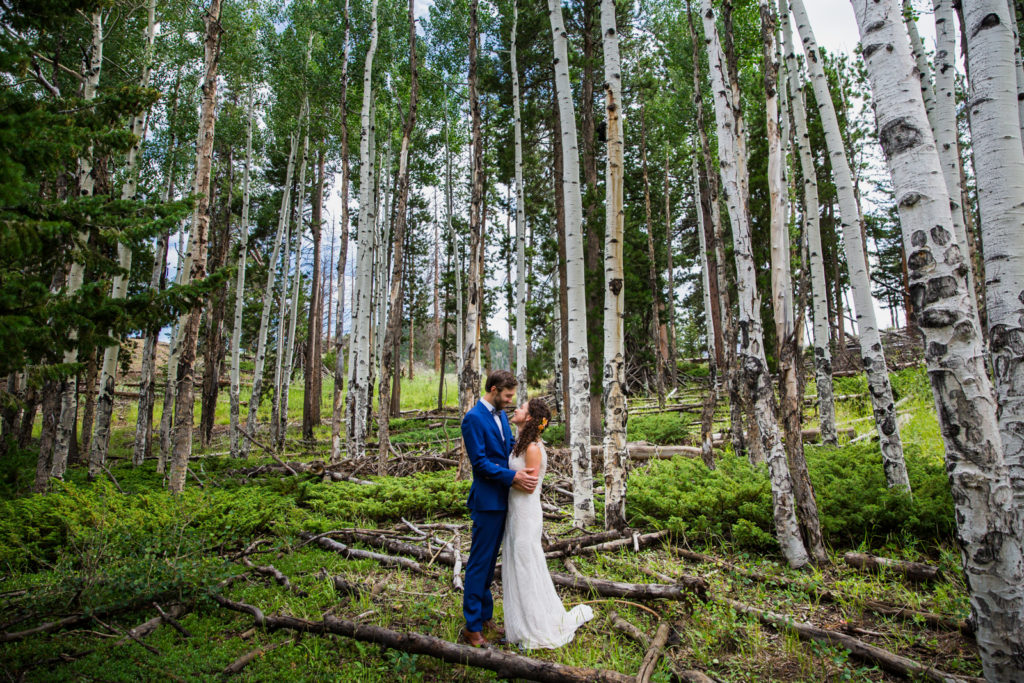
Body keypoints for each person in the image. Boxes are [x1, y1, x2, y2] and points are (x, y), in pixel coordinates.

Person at [502, 398, 594, 648]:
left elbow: (528, 485)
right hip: (516, 511)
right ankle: (523, 622)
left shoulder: (532, 448)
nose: (516, 409)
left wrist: (503, 477)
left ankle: (536, 626)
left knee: (526, 565)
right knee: (519, 563)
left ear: (529, 418)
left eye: (521, 408)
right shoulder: (522, 443)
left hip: (525, 513)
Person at [460, 370, 538, 648]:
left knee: (490, 562)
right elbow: (479, 464)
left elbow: (507, 451)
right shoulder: (472, 419)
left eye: (512, 396)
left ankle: (485, 616)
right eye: (506, 396)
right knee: (479, 562)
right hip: (487, 502)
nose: (509, 401)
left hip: (505, 501)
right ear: (493, 390)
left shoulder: (501, 417)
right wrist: (513, 477)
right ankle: (471, 626)